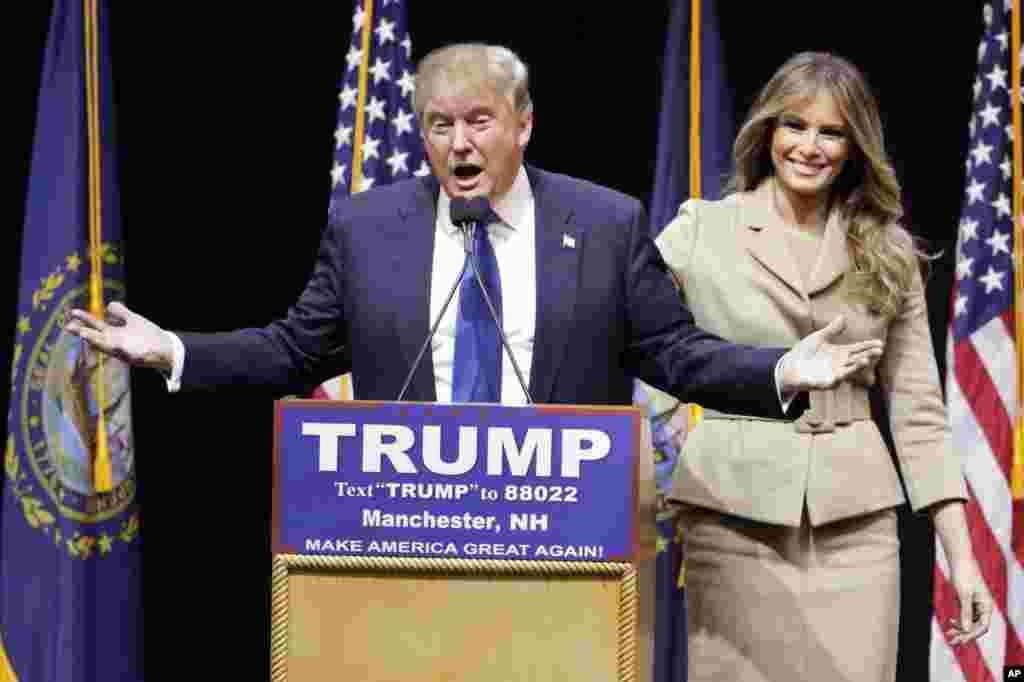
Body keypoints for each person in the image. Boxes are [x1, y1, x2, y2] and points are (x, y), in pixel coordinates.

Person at [66, 44, 879, 426]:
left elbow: (674, 353)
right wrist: (173, 350)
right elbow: (292, 351)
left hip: (561, 535)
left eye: (480, 122)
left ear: (523, 125)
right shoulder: (367, 229)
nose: (459, 144)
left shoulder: (604, 225)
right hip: (408, 531)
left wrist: (781, 368)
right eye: (439, 125)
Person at [655, 52, 991, 682]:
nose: (809, 147)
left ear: (854, 147)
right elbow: (638, 334)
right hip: (732, 515)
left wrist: (963, 559)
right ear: (768, 131)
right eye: (795, 125)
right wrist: (665, 424)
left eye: (831, 132)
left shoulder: (887, 250)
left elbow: (919, 412)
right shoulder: (704, 228)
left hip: (855, 527)